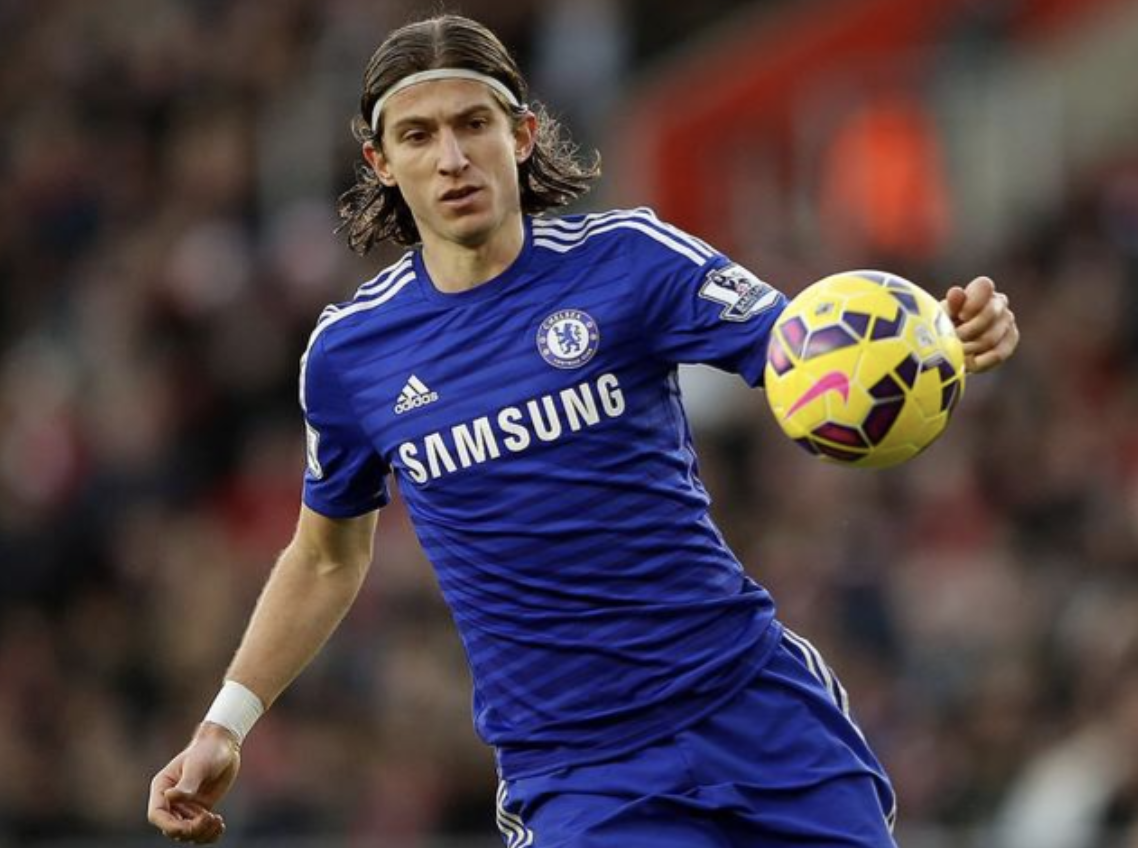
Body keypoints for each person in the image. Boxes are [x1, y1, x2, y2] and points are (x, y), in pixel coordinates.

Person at [147, 14, 1019, 847]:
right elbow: (326, 557)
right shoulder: (351, 354)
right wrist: (226, 723)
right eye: (418, 135)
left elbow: (811, 351)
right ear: (381, 162)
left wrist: (943, 341)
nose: (451, 157)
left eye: (473, 124)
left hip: (754, 711)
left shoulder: (629, 259)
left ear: (522, 134)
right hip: (582, 773)